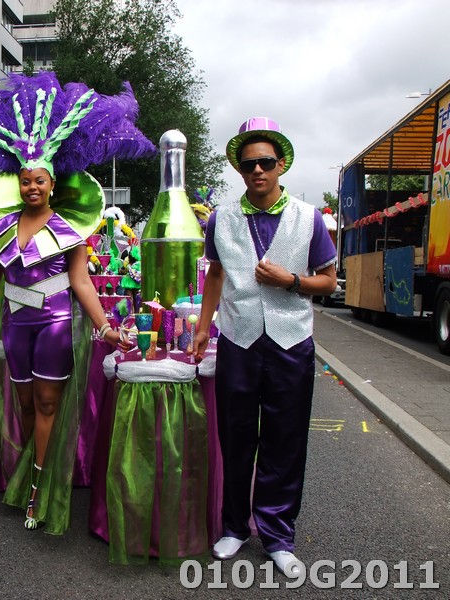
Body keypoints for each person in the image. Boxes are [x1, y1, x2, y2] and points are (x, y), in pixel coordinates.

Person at [0, 71, 154, 533]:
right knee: (25, 404)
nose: (32, 188)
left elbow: (81, 282)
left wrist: (105, 326)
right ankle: (32, 469)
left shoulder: (70, 227)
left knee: (47, 403)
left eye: (39, 181)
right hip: (16, 325)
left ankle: (39, 489)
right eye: (25, 181)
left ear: (52, 183)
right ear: (18, 184)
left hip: (56, 323)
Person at [190, 118, 338, 576]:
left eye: (266, 162)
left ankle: (277, 535)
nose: (258, 170)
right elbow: (216, 274)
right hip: (238, 339)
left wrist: (291, 280)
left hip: (291, 342)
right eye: (249, 163)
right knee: (235, 437)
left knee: (284, 440)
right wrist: (203, 326)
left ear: (281, 166)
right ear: (239, 169)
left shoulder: (309, 218)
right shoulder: (221, 218)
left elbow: (329, 282)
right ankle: (234, 527)